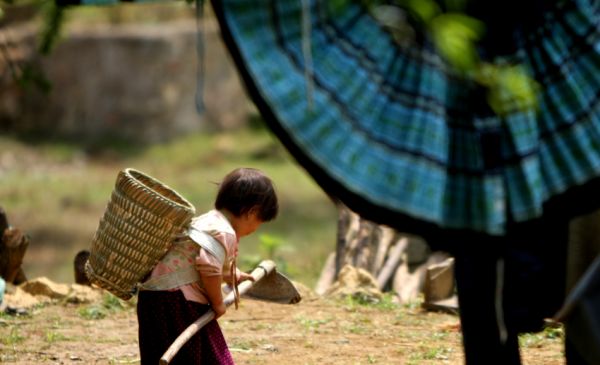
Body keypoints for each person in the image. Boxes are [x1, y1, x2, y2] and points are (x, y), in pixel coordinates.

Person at [136, 167, 278, 364]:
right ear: (252, 212)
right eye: (260, 221)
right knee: (208, 357)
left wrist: (232, 275)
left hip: (153, 298)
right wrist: (218, 302)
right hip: (178, 303)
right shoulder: (224, 232)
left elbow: (195, 264)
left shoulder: (207, 221)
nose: (256, 229)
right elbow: (208, 267)